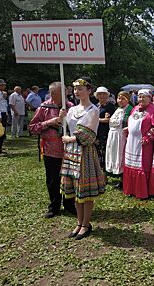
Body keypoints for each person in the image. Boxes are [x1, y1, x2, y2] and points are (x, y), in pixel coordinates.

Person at [61, 77, 105, 240]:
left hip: (84, 151)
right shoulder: (71, 109)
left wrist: (71, 139)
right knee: (75, 189)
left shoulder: (93, 110)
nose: (77, 91)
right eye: (75, 89)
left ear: (89, 90)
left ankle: (86, 224)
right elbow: (66, 128)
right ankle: (79, 223)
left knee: (85, 190)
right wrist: (62, 118)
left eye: (80, 88)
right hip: (71, 151)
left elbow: (88, 134)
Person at [29, 82, 76, 218]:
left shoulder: (70, 107)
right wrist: (50, 122)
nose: (66, 94)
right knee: (53, 179)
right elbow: (32, 128)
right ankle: (54, 206)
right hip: (50, 150)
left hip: (68, 149)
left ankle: (69, 204)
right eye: (62, 92)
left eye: (66, 92)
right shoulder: (44, 108)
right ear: (53, 93)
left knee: (69, 178)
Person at [123, 89, 154, 199]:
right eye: (139, 97)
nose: (141, 99)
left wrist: (148, 137)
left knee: (142, 165)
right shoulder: (135, 108)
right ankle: (131, 188)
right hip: (131, 141)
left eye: (144, 97)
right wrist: (128, 129)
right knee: (130, 164)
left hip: (143, 144)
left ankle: (142, 190)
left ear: (149, 98)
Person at [105, 91, 133, 188]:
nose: (120, 100)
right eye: (118, 98)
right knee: (113, 155)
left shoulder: (130, 110)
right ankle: (116, 175)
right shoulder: (118, 109)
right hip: (112, 135)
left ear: (128, 99)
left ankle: (123, 178)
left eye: (123, 98)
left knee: (121, 155)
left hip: (121, 136)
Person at [94, 87, 115, 172]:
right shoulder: (95, 106)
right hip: (95, 132)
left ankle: (103, 174)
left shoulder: (110, 106)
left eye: (104, 94)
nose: (102, 96)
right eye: (100, 94)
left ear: (107, 95)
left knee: (103, 153)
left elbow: (108, 120)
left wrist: (97, 119)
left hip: (104, 132)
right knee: (96, 153)